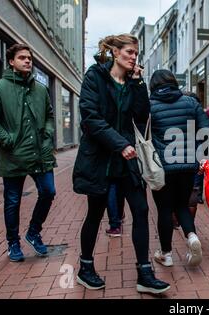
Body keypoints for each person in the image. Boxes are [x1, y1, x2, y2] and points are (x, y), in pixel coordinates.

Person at [73, 34, 170, 293]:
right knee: (95, 213)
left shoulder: (131, 81)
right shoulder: (95, 76)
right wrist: (119, 144)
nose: (133, 57)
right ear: (115, 52)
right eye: (129, 52)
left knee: (140, 211)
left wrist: (139, 83)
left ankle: (144, 274)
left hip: (128, 161)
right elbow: (90, 118)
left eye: (136, 53)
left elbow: (141, 114)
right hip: (101, 158)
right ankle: (85, 267)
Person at [0, 44, 57, 262]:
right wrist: (7, 139)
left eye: (29, 58)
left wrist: (48, 133)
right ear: (11, 61)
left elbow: (49, 115)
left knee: (48, 191)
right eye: (22, 57)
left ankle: (33, 232)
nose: (27, 61)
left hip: (40, 153)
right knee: (12, 201)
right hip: (13, 154)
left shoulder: (40, 89)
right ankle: (13, 243)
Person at [149, 70, 209, 268]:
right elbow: (207, 131)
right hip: (188, 165)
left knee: (164, 209)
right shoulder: (190, 103)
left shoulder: (150, 106)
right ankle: (191, 236)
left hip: (162, 167)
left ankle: (166, 254)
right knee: (182, 205)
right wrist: (203, 158)